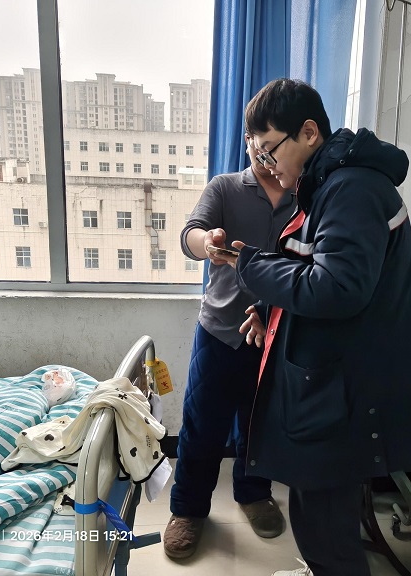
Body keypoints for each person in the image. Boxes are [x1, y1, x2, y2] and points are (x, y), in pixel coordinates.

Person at [223, 78, 411, 576]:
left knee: (325, 527)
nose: (265, 164)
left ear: (308, 132)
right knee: (315, 514)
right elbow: (320, 270)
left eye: (270, 149)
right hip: (334, 383)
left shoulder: (351, 189)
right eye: (258, 153)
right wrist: (272, 311)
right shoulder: (329, 184)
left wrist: (251, 267)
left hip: (347, 393)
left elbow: (338, 288)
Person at [163, 128, 296, 559]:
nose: (264, 154)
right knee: (202, 426)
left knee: (260, 425)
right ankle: (188, 510)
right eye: (257, 143)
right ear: (247, 140)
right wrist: (207, 242)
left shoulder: (303, 192)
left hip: (274, 334)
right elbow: (189, 234)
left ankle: (254, 494)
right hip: (219, 330)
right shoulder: (225, 187)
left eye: (272, 145)